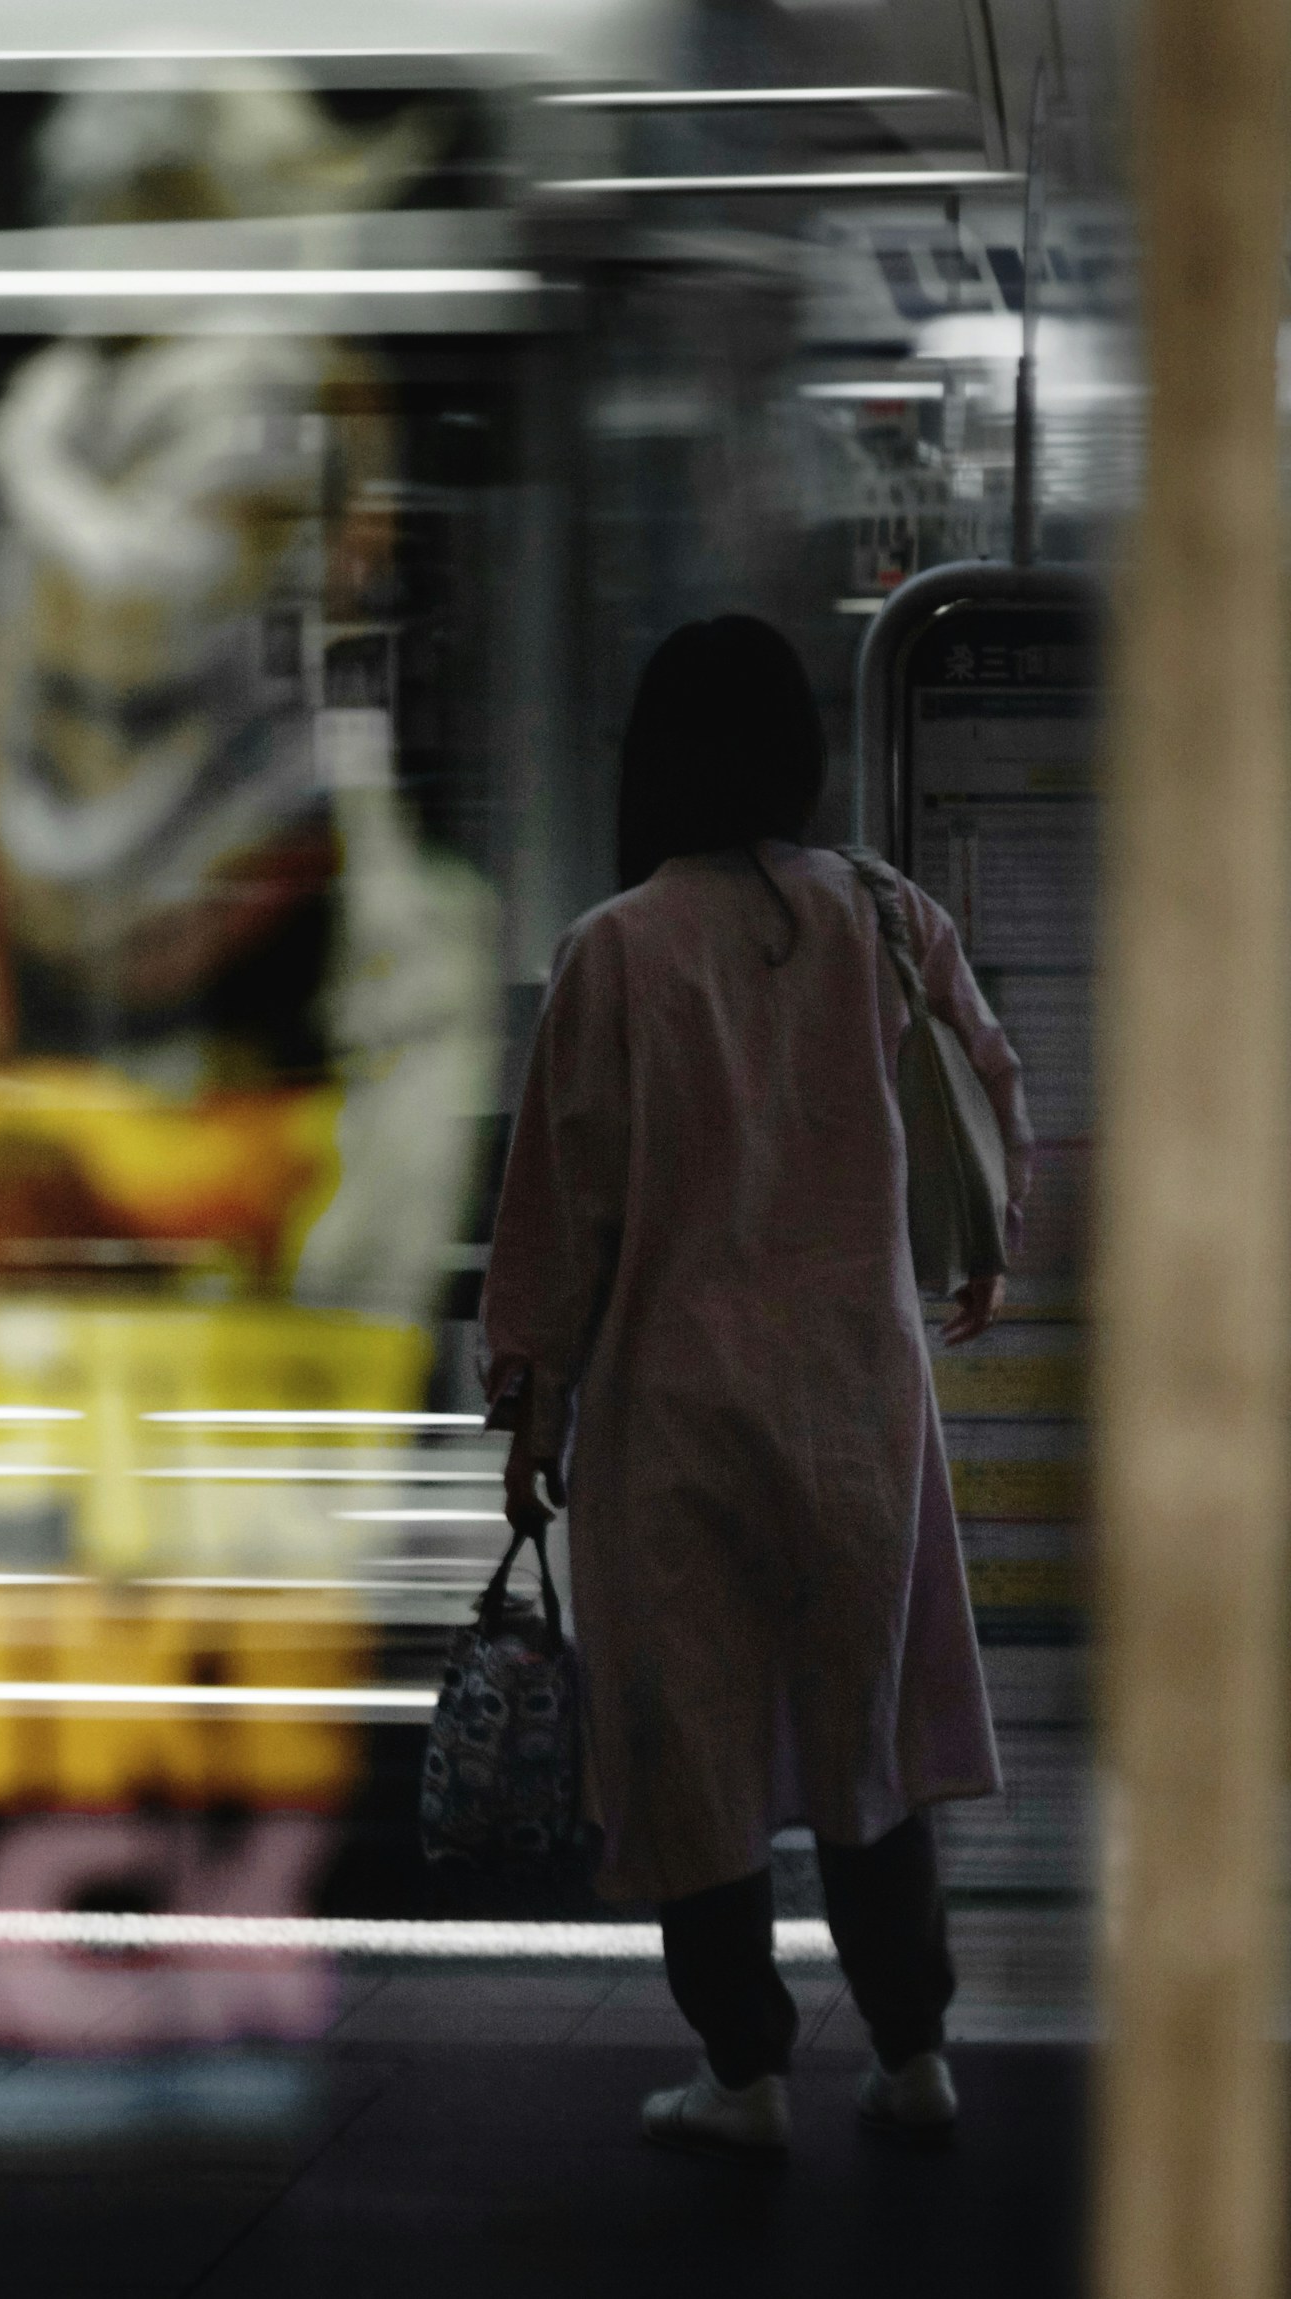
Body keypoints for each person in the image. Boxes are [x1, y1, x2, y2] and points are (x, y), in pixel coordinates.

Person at [479, 616, 1033, 2157]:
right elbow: (988, 1086)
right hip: (861, 1401)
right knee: (870, 1740)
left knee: (692, 1750)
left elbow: (559, 1205)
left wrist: (529, 1405)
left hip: (675, 1420)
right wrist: (984, 1254)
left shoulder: (615, 950)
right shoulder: (881, 912)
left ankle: (745, 2073)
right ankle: (914, 2050)